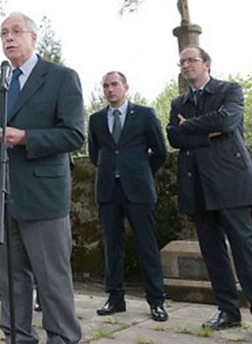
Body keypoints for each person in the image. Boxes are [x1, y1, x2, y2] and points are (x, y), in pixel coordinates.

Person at [0, 12, 83, 343]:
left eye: (15, 31)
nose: (8, 38)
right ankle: (17, 337)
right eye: (3, 33)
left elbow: (73, 135)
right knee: (9, 279)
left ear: (33, 37)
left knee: (52, 279)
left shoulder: (61, 77)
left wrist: (26, 137)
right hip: (1, 196)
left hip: (42, 195)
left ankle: (63, 338)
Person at [167, 46, 252, 343]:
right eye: (182, 62)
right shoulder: (178, 101)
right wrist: (205, 131)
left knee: (244, 250)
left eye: (191, 60)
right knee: (212, 253)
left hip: (230, 183)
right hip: (197, 185)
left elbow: (227, 122)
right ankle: (228, 311)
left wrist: (190, 127)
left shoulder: (229, 90)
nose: (186, 65)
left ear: (207, 64)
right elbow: (173, 136)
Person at [87, 71, 168, 322]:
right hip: (108, 190)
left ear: (126, 87)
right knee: (112, 246)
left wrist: (141, 172)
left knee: (147, 245)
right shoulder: (96, 119)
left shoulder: (145, 114)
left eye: (114, 84)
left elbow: (160, 152)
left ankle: (156, 301)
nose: (110, 89)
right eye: (105, 86)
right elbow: (94, 155)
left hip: (139, 190)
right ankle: (115, 297)